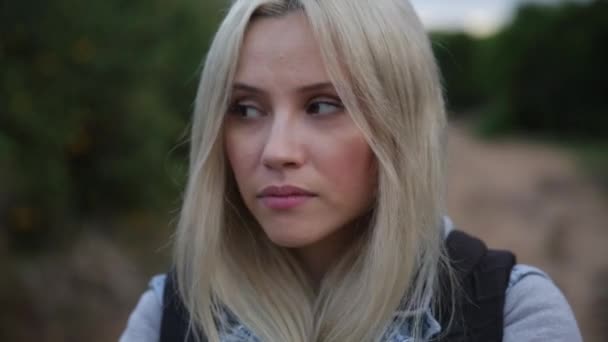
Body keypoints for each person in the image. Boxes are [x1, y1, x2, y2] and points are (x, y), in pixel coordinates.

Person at [120, 0, 582, 341]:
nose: (277, 151)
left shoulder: (511, 313)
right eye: (245, 108)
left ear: (399, 121)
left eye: (322, 105)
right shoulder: (168, 315)